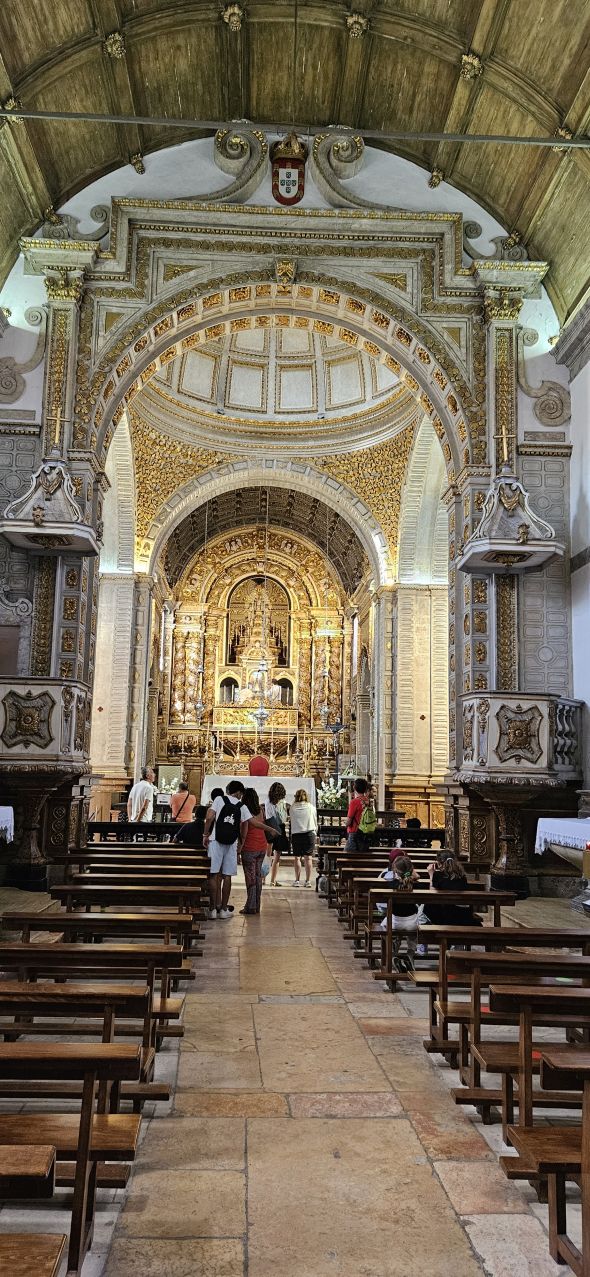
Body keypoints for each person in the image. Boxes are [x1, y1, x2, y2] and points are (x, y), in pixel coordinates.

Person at [203, 780, 245, 919]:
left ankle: (212, 909)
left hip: (216, 839)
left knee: (214, 874)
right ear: (238, 792)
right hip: (231, 842)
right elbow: (246, 824)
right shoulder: (241, 805)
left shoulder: (219, 799)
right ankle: (224, 909)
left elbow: (209, 817)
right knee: (227, 875)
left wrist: (205, 834)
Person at [379, 854, 422, 972]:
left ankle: (392, 953)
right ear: (411, 870)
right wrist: (414, 876)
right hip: (412, 922)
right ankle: (410, 953)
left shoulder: (391, 884)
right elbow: (413, 877)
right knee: (414, 932)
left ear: (395, 870)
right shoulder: (417, 884)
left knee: (382, 927)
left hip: (394, 922)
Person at [238, 787, 277, 915]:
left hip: (249, 847)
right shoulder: (260, 809)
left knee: (250, 878)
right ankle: (257, 904)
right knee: (257, 877)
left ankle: (250, 906)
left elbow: (244, 832)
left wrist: (239, 848)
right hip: (261, 846)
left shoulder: (245, 810)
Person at [423, 852, 483, 927]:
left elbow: (432, 894)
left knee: (425, 906)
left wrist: (431, 874)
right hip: (463, 913)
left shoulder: (438, 875)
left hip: (447, 915)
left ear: (439, 863)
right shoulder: (462, 876)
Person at [289, 788, 318, 887]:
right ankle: (308, 881)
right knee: (308, 858)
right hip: (309, 834)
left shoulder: (292, 808)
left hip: (296, 834)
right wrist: (315, 832)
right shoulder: (311, 807)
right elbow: (315, 819)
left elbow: (291, 819)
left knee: (297, 858)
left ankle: (297, 881)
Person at [267, 782, 289, 886]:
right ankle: (272, 880)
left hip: (269, 826)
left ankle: (262, 878)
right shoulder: (282, 802)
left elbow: (267, 815)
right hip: (279, 828)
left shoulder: (267, 801)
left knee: (267, 855)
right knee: (277, 856)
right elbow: (283, 818)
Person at [345, 777, 371, 853]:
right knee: (363, 857)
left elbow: (349, 821)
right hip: (365, 833)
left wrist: (345, 824)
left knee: (348, 857)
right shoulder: (368, 802)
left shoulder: (354, 802)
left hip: (355, 833)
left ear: (354, 787)